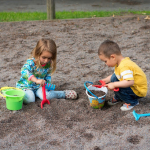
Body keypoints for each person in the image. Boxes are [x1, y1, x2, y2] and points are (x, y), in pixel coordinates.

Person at [16, 38, 77, 104]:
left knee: (47, 96)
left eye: (49, 58)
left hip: (39, 87)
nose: (46, 60)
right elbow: (24, 71)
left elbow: (48, 76)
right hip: (26, 86)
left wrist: (47, 85)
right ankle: (14, 95)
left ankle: (63, 94)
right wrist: (36, 80)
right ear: (37, 53)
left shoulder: (48, 64)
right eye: (44, 57)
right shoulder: (31, 62)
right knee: (30, 99)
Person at [98, 40, 147, 111]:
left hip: (138, 90)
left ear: (113, 57)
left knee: (118, 86)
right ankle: (119, 97)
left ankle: (132, 102)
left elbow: (130, 82)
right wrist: (105, 80)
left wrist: (114, 84)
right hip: (134, 87)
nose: (105, 64)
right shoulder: (120, 63)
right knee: (115, 77)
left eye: (105, 61)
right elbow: (115, 75)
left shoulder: (124, 66)